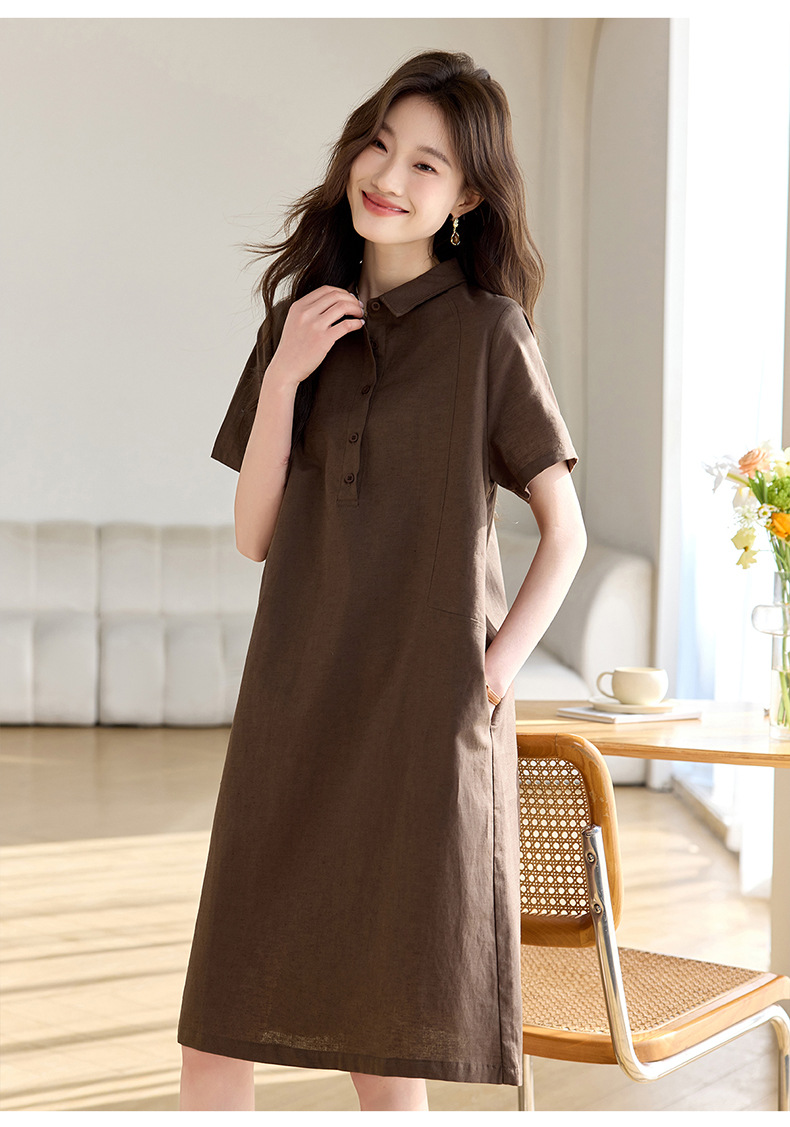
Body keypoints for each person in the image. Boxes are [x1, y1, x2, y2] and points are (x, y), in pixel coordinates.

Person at [177, 49, 587, 1113]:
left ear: (468, 199)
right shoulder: (299, 320)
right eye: (379, 144)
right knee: (222, 1018)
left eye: (425, 164)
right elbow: (255, 536)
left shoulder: (491, 334)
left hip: (420, 711)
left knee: (387, 1030)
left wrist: (490, 674)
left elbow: (566, 533)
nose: (388, 176)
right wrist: (285, 375)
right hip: (294, 695)